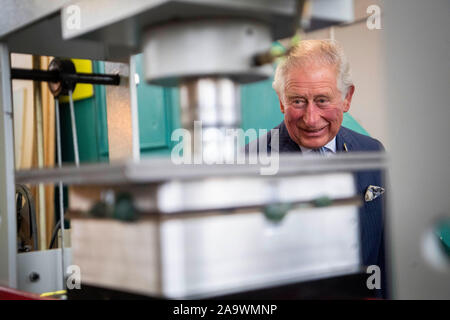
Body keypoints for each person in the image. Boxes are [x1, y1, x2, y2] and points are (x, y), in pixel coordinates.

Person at [246, 39, 386, 297]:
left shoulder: (372, 152)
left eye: (322, 100)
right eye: (298, 101)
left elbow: (384, 255)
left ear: (347, 98)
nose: (311, 119)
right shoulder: (247, 163)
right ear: (281, 101)